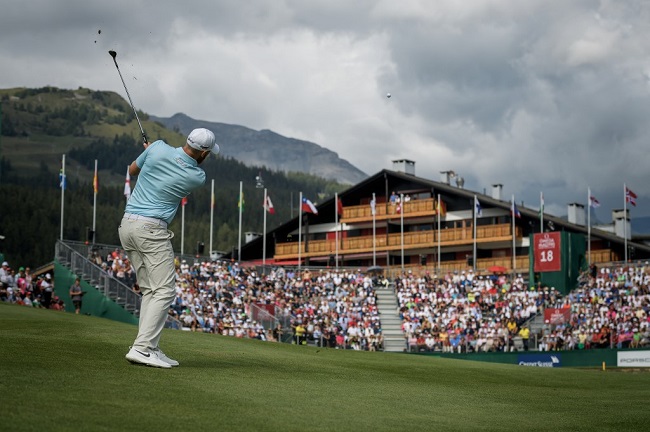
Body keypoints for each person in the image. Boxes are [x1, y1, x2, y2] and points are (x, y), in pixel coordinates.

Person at [119, 128, 219, 368]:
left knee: (150, 290)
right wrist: (155, 152)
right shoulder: (197, 176)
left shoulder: (157, 148)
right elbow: (179, 165)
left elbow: (132, 170)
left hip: (127, 225)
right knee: (164, 290)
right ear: (204, 153)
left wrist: (152, 152)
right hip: (151, 230)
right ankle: (142, 348)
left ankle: (148, 346)